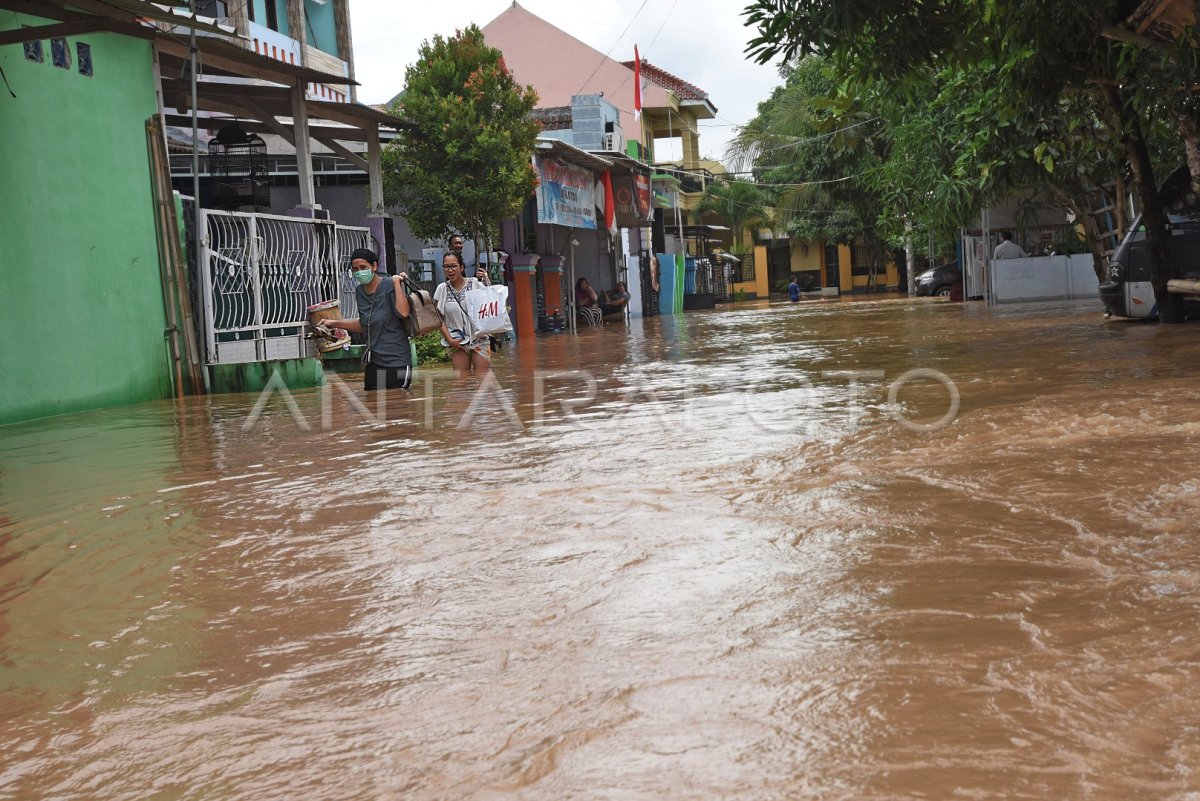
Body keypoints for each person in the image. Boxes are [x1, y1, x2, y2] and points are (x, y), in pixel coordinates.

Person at [322, 248, 413, 390]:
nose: (359, 272)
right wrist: (334, 323)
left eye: (363, 267)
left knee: (398, 404)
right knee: (373, 405)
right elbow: (365, 323)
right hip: (374, 360)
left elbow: (404, 312)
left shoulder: (389, 285)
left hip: (397, 360)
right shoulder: (359, 291)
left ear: (374, 266)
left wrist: (396, 284)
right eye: (355, 269)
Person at [433, 251, 490, 376]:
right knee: (461, 384)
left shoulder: (475, 283)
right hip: (457, 341)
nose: (450, 270)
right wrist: (449, 339)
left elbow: (490, 304)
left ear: (461, 267)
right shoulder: (442, 289)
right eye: (446, 267)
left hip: (479, 339)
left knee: (483, 382)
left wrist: (486, 281)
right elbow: (438, 318)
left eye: (454, 266)